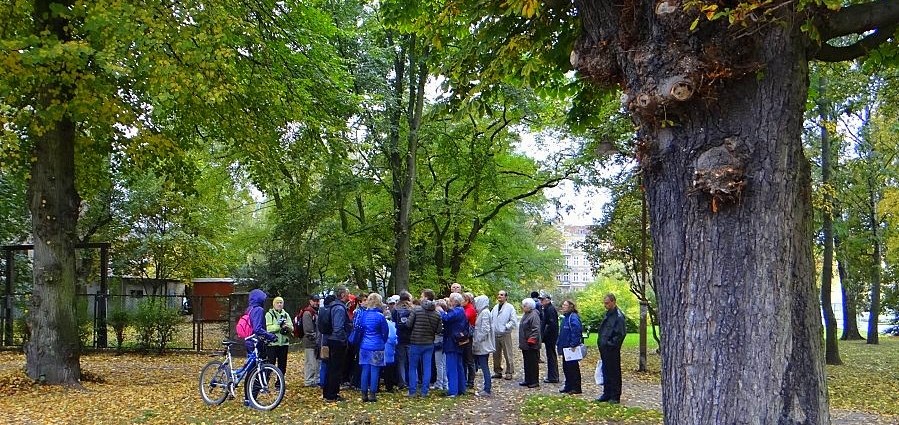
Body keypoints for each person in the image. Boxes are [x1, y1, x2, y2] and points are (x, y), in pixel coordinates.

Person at [243, 289, 277, 404]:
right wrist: (270, 336)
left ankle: (248, 398)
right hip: (256, 343)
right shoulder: (258, 310)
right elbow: (257, 328)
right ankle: (250, 397)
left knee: (250, 370)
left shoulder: (249, 309)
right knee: (257, 369)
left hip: (249, 342)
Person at [407, 288, 442, 397]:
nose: (420, 298)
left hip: (416, 342)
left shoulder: (416, 310)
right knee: (427, 367)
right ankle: (424, 391)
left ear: (426, 297)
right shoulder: (437, 313)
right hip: (429, 343)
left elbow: (408, 324)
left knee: (413, 367)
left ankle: (412, 391)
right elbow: (439, 330)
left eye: (422, 296)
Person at [356, 293, 389, 402]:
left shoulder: (363, 315)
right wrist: (382, 341)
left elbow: (360, 330)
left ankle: (364, 393)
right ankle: (373, 394)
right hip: (377, 345)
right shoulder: (380, 316)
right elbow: (385, 332)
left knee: (365, 370)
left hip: (364, 346)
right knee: (375, 370)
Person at [322, 287, 352, 402]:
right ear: (343, 294)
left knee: (331, 368)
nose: (349, 297)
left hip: (332, 340)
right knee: (335, 369)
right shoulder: (339, 308)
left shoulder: (332, 305)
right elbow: (338, 327)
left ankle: (328, 393)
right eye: (347, 294)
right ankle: (332, 394)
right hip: (337, 341)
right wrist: (343, 338)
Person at [596, 293, 626, 404]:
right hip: (604, 348)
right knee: (606, 371)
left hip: (611, 349)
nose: (605, 305)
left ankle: (615, 395)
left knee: (614, 372)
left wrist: (610, 344)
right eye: (604, 303)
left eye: (607, 303)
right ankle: (607, 393)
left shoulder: (618, 316)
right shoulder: (608, 314)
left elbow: (620, 334)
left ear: (613, 302)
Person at [438, 292, 468, 397]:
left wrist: (441, 311)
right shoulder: (461, 311)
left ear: (454, 301)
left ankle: (453, 391)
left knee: (452, 367)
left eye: (450, 300)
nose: (449, 302)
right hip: (458, 342)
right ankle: (461, 388)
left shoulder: (457, 311)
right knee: (459, 366)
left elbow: (446, 318)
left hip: (452, 342)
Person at [557, 299, 584, 395]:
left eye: (565, 305)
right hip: (565, 347)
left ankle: (576, 387)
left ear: (570, 306)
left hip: (570, 348)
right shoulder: (566, 317)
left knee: (573, 368)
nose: (563, 307)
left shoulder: (573, 317)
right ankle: (568, 385)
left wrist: (573, 344)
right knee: (566, 367)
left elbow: (576, 331)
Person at [472, 295, 495, 397]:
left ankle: (487, 388)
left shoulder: (485, 313)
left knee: (484, 366)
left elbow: (485, 329)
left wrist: (477, 340)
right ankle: (486, 387)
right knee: (484, 365)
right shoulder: (482, 312)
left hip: (482, 344)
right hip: (481, 343)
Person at [491, 290, 516, 381]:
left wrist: (506, 327)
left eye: (502, 295)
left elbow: (513, 321)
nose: (499, 296)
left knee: (508, 353)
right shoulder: (495, 307)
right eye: (498, 294)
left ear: (506, 297)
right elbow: (491, 318)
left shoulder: (510, 307)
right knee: (496, 354)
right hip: (495, 333)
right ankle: (497, 371)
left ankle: (509, 372)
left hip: (505, 334)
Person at [265, 296, 293, 375]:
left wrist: (287, 327)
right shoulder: (269, 314)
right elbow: (269, 328)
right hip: (272, 344)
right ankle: (265, 381)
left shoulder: (286, 315)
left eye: (281, 303)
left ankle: (279, 383)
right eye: (277, 303)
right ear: (274, 304)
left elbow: (292, 327)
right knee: (270, 364)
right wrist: (279, 326)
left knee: (282, 365)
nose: (279, 304)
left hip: (284, 343)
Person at [391, 291, 414, 389]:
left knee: (401, 361)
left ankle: (402, 382)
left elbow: (393, 323)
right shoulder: (412, 309)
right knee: (412, 362)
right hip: (411, 338)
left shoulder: (395, 309)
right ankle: (412, 381)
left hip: (399, 337)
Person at [518, 297, 541, 388]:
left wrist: (532, 340)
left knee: (533, 363)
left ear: (529, 306)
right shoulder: (526, 314)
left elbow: (536, 329)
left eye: (524, 306)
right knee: (527, 363)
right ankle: (528, 379)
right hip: (525, 344)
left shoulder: (534, 315)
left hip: (531, 344)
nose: (522, 307)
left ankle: (534, 381)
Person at [299, 294, 321, 387]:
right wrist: (315, 339)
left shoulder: (316, 312)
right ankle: (308, 381)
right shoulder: (308, 313)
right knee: (310, 362)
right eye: (314, 301)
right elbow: (308, 330)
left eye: (317, 300)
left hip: (316, 341)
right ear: (310, 301)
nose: (316, 302)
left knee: (316, 362)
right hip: (310, 342)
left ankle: (315, 380)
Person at [539, 292, 559, 384]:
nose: (541, 301)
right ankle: (552, 376)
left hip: (550, 337)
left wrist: (544, 336)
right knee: (550, 356)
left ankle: (553, 377)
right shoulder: (547, 309)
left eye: (542, 299)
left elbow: (551, 325)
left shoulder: (550, 309)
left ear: (548, 300)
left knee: (551, 356)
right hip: (550, 337)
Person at [461, 292, 477, 389]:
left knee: (469, 359)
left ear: (466, 301)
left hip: (468, 337)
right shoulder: (465, 308)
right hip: (465, 336)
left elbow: (464, 318)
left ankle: (470, 381)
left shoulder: (470, 309)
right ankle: (466, 380)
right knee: (465, 359)